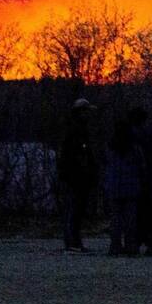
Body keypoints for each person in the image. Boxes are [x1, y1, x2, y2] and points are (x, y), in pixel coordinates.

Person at [56, 99, 96, 252]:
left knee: (76, 210)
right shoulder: (76, 130)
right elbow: (75, 156)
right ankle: (72, 243)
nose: (89, 115)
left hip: (75, 176)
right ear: (80, 112)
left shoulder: (77, 129)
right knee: (74, 210)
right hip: (74, 177)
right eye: (86, 111)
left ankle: (74, 242)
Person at [103, 114, 144, 256]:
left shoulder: (110, 147)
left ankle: (115, 246)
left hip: (114, 187)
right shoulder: (134, 148)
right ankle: (131, 246)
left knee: (115, 220)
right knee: (130, 220)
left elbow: (106, 164)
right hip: (131, 188)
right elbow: (141, 165)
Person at [128, 106, 152, 257]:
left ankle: (136, 242)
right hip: (149, 176)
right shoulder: (151, 133)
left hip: (135, 176)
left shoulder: (131, 134)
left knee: (136, 211)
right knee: (148, 211)